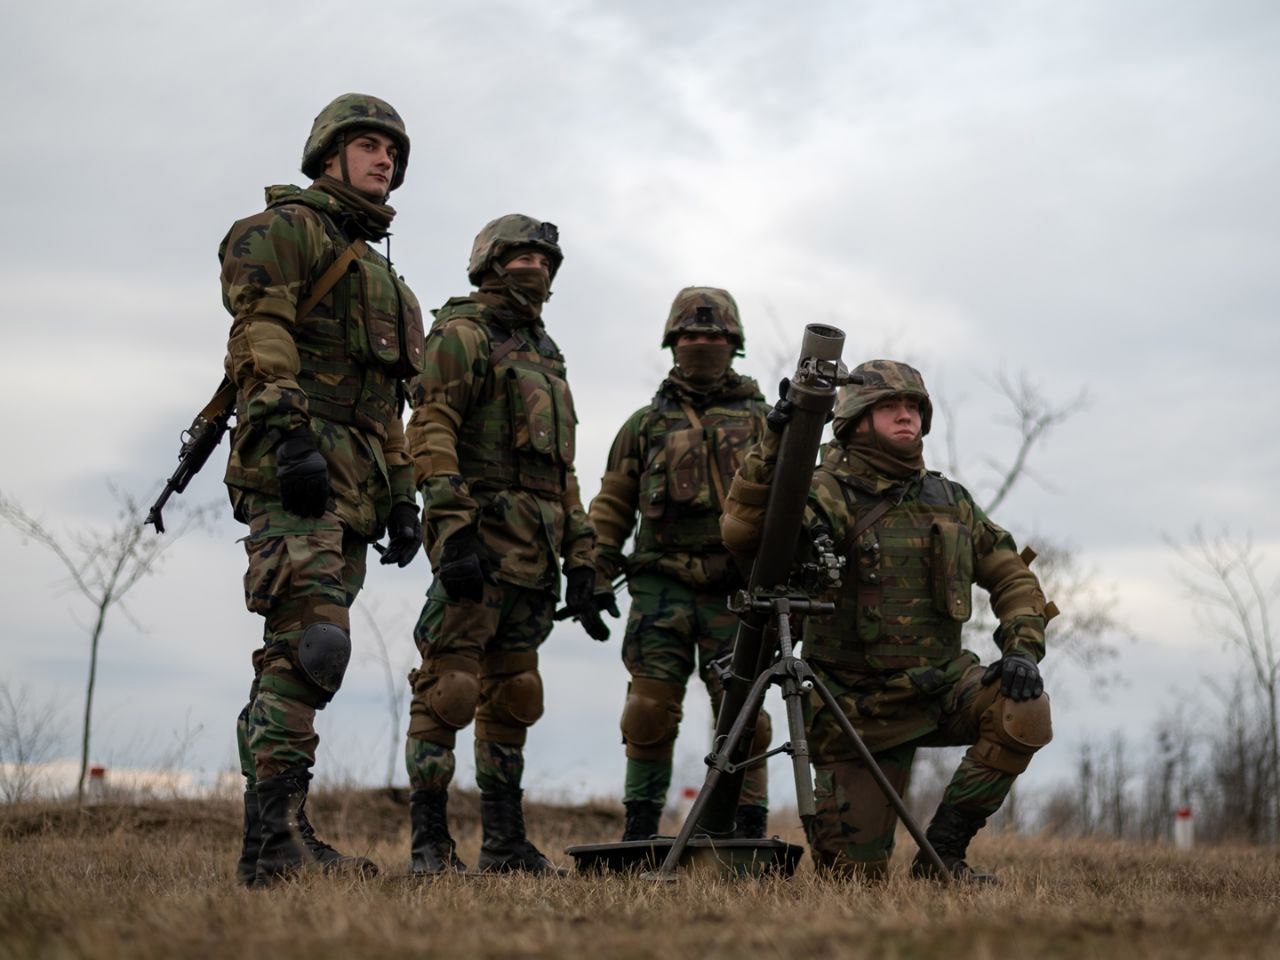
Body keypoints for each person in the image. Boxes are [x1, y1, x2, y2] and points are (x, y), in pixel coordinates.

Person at [721, 360, 1054, 882]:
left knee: (1024, 708)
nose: (905, 417)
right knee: (853, 881)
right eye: (888, 408)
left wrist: (1021, 650)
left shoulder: (951, 501)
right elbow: (745, 536)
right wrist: (774, 448)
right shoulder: (825, 490)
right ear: (856, 420)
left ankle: (943, 855)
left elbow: (1012, 577)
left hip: (940, 686)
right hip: (852, 706)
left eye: (912, 407)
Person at [222, 94, 425, 886]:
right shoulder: (283, 231)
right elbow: (260, 329)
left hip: (356, 490)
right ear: (328, 155)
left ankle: (280, 831)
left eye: (392, 152)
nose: (383, 161)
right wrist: (288, 428)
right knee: (314, 644)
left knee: (301, 656)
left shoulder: (384, 277)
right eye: (368, 146)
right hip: (293, 468)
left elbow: (390, 407)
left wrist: (404, 493)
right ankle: (272, 847)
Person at [402, 215, 602, 875]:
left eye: (546, 260)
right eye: (520, 257)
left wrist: (584, 558)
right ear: (489, 261)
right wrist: (453, 527)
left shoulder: (548, 356)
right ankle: (430, 843)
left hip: (536, 554)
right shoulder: (462, 334)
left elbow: (561, 471)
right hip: (479, 542)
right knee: (449, 688)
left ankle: (505, 843)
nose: (535, 269)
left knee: (515, 694)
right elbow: (431, 426)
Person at [587, 287, 773, 842]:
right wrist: (593, 571)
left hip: (738, 590)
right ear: (673, 342)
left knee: (747, 719)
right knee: (646, 712)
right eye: (692, 336)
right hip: (660, 588)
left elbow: (800, 505)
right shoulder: (644, 425)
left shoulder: (768, 423)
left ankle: (746, 834)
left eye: (715, 337)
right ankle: (640, 833)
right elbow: (613, 503)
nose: (703, 345)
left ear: (734, 345)